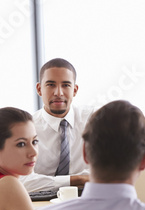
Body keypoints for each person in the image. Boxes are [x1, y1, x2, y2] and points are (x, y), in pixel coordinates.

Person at [20, 58, 94, 192]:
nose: (58, 93)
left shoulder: (93, 120)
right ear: (39, 89)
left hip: (86, 199)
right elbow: (22, 180)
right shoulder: (26, 128)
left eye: (66, 85)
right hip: (40, 204)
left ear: (75, 90)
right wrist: (77, 179)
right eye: (51, 85)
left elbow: (108, 169)